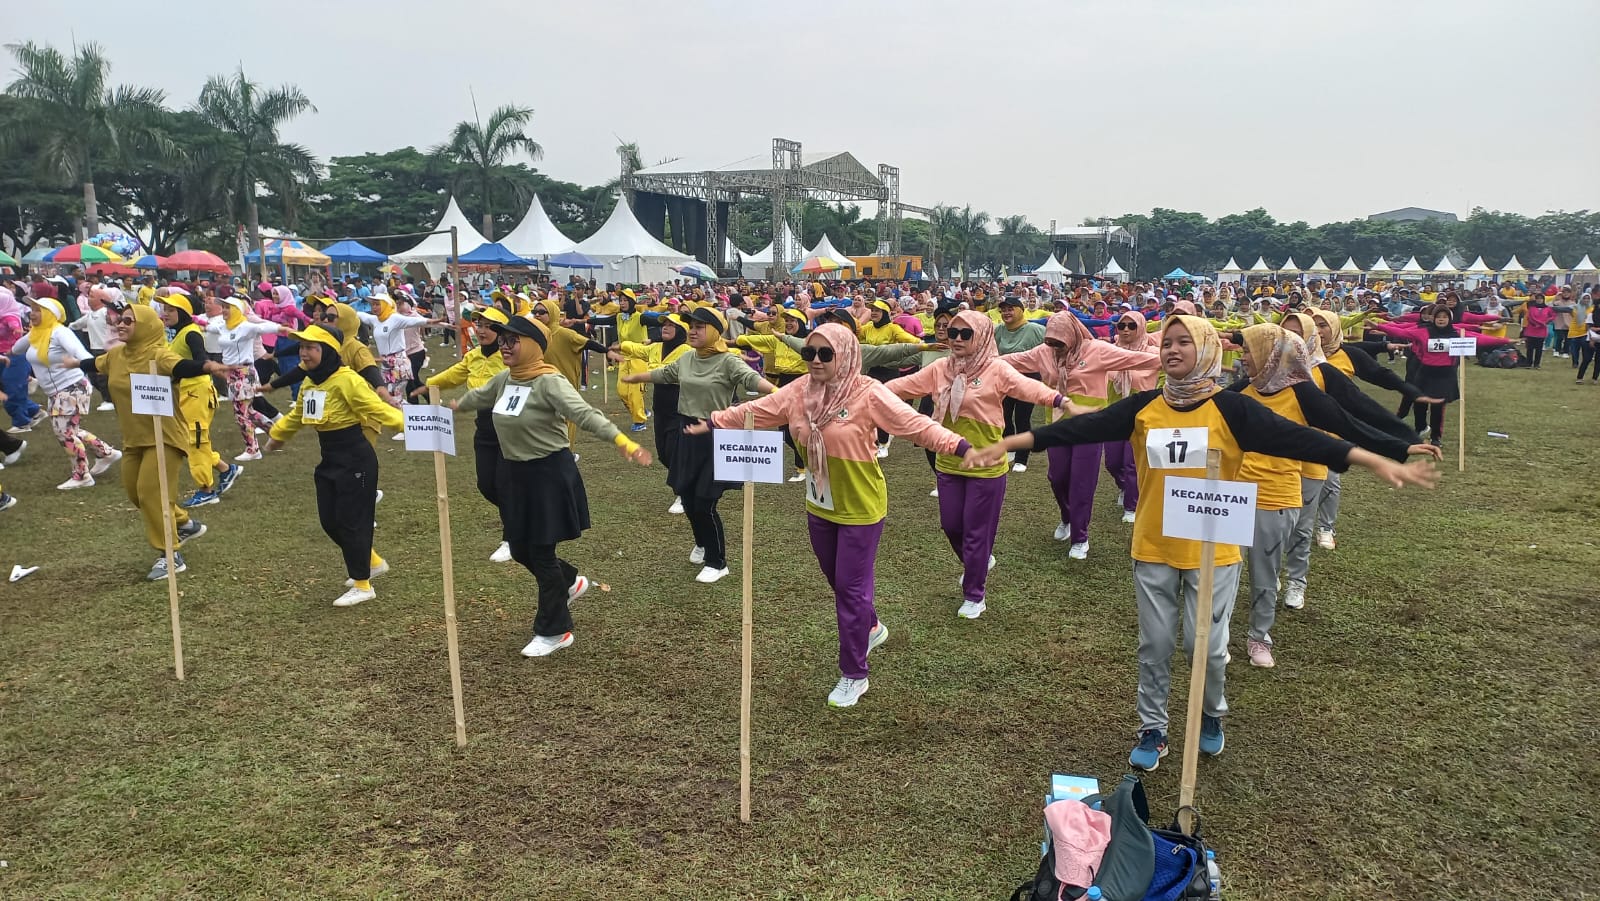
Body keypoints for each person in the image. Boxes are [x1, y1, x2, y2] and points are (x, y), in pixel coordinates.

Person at [968, 315, 1440, 768]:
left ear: (1206, 349)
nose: (1172, 350)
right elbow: (1079, 429)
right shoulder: (1144, 406)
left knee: (1208, 648)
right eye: (1167, 342)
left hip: (1214, 546)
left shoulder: (1232, 407)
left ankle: (1211, 711)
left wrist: (1379, 458)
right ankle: (1152, 728)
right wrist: (1012, 443)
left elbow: (1302, 439)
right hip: (1154, 545)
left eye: (1183, 342)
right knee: (1154, 645)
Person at [688, 324, 975, 707]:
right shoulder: (798, 392)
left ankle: (854, 674)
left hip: (861, 507)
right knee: (839, 583)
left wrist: (957, 444)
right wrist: (714, 422)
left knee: (851, 589)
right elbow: (757, 410)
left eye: (826, 354)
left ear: (846, 355)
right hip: (820, 505)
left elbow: (915, 425)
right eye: (809, 354)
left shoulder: (868, 393)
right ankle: (870, 626)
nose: (816, 361)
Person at [1229, 323, 1435, 667]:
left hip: (1276, 495)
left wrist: (1399, 443)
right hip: (1233, 493)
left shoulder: (1302, 392)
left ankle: (1259, 638)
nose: (1242, 356)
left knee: (1264, 575)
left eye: (1248, 349)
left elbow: (1348, 422)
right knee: (1223, 571)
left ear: (1270, 353)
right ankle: (1217, 636)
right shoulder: (1237, 394)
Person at [453, 314, 652, 656]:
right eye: (502, 340)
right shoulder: (506, 379)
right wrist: (452, 407)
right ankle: (570, 580)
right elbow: (480, 396)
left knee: (541, 553)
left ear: (532, 344)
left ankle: (555, 630)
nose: (504, 346)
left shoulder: (549, 382)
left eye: (512, 340)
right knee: (519, 549)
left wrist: (623, 440)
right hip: (514, 474)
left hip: (547, 474)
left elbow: (585, 414)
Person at [883, 311, 1066, 618]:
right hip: (949, 462)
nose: (955, 339)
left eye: (964, 334)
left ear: (980, 336)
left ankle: (974, 593)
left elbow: (1029, 389)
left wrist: (1060, 401)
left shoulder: (997, 369)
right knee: (951, 525)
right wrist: (863, 393)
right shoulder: (941, 368)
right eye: (952, 332)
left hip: (987, 464)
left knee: (976, 533)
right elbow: (902, 386)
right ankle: (978, 561)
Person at [68, 303, 233, 579]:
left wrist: (207, 365)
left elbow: (182, 366)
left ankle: (170, 555)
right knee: (135, 493)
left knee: (150, 494)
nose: (121, 324)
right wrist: (75, 363)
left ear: (144, 327)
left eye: (129, 321)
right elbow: (95, 363)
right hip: (134, 439)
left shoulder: (158, 355)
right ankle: (184, 522)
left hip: (164, 437)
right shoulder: (117, 355)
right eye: (120, 320)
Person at [623, 307, 776, 583]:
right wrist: (637, 378)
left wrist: (781, 394)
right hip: (687, 432)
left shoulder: (728, 362)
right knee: (688, 496)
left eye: (700, 326)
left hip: (716, 433)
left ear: (716, 331)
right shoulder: (687, 358)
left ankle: (718, 562)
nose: (692, 330)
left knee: (705, 502)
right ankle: (703, 543)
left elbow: (752, 380)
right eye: (691, 325)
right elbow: (665, 374)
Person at [264, 324, 405, 607]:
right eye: (302, 348)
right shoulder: (310, 382)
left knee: (353, 520)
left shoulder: (346, 380)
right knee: (329, 520)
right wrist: (276, 437)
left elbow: (375, 409)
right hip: (329, 457)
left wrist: (411, 425)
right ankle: (372, 562)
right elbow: (297, 416)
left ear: (326, 351)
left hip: (355, 457)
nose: (304, 353)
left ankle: (363, 585)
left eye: (311, 348)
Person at [1000, 312, 1159, 558]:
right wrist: (976, 356)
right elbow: (1012, 360)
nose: (1054, 348)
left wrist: (1178, 359)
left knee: (1082, 481)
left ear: (1071, 336)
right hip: (1057, 423)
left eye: (1059, 343)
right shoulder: (1044, 352)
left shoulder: (1096, 350)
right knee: (1057, 477)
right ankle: (1068, 518)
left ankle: (1080, 536)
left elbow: (1137, 359)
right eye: (1050, 341)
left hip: (1091, 425)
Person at [417, 306, 511, 562]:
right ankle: (522, 512)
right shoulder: (474, 356)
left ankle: (511, 536)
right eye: (478, 325)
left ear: (501, 331)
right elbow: (453, 375)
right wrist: (428, 385)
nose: (481, 330)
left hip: (511, 426)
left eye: (488, 326)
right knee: (486, 484)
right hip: (484, 425)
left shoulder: (510, 356)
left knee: (505, 483)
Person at [21, 294, 122, 490]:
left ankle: (82, 475)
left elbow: (82, 354)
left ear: (49, 314)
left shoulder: (60, 333)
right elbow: (17, 349)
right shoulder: (37, 333)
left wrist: (82, 363)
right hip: (56, 391)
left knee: (64, 434)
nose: (31, 314)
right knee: (70, 431)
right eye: (31, 309)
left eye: (36, 310)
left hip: (71, 387)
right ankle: (107, 453)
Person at [159, 292, 242, 507]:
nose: (164, 313)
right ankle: (226, 469)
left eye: (170, 310)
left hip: (195, 392)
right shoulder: (178, 334)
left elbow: (201, 362)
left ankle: (206, 489)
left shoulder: (190, 333)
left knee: (195, 441)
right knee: (191, 440)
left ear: (183, 312)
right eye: (164, 309)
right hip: (184, 392)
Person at [612, 312, 694, 513]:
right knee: (664, 454)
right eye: (664, 324)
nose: (665, 327)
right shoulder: (656, 348)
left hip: (680, 408)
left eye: (671, 325)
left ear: (681, 330)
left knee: (676, 452)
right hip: (661, 409)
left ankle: (683, 494)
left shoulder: (687, 351)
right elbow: (638, 349)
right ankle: (687, 483)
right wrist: (619, 346)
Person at [204, 295, 283, 462]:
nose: (224, 310)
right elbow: (208, 326)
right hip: (231, 373)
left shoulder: (245, 326)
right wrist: (193, 318)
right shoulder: (223, 326)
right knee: (250, 412)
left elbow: (263, 327)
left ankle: (253, 449)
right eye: (223, 307)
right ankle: (277, 433)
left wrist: (282, 328)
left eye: (227, 307)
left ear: (236, 310)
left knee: (241, 413)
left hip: (244, 372)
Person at [735, 308, 811, 481]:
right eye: (788, 320)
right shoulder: (777, 339)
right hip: (783, 384)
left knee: (799, 428)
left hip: (803, 384)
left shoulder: (809, 340)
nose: (789, 323)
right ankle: (807, 461)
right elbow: (751, 340)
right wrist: (723, 342)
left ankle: (802, 467)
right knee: (784, 430)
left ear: (801, 323)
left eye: (793, 320)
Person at [994, 297, 1047, 472]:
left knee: (1022, 418)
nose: (1006, 313)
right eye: (1003, 310)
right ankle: (1010, 448)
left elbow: (1053, 346)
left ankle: (1022, 459)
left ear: (1021, 310)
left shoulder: (1035, 329)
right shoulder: (999, 330)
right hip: (1003, 379)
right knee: (1003, 416)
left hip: (1028, 379)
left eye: (1010, 309)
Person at [1, 285, 45, 432]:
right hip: (4, 357)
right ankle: (34, 411)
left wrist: (16, 331)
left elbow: (16, 331)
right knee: (14, 389)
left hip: (13, 357)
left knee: (11, 391)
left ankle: (21, 422)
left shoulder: (10, 317)